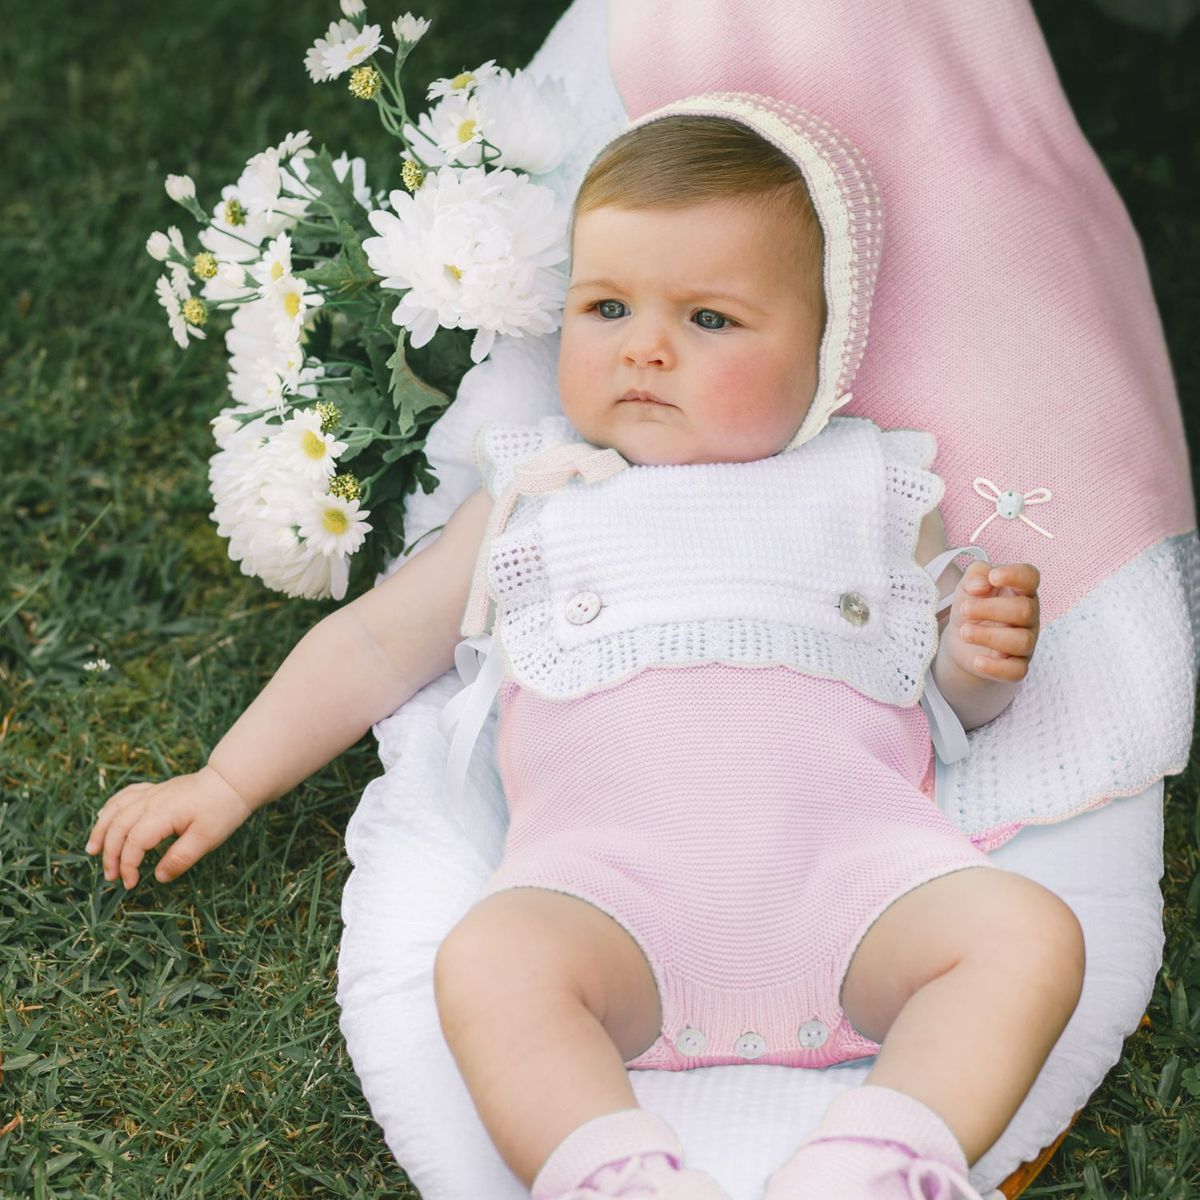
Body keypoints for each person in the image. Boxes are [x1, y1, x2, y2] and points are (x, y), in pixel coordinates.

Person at [86, 95, 1082, 1200]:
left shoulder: (873, 487)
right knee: (491, 961)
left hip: (859, 889)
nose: (646, 348)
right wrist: (228, 776)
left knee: (1027, 933)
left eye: (710, 320)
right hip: (612, 911)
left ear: (828, 343)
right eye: (607, 306)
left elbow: (938, 698)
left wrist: (977, 659)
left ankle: (882, 1161)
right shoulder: (537, 498)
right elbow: (372, 643)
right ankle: (613, 1175)